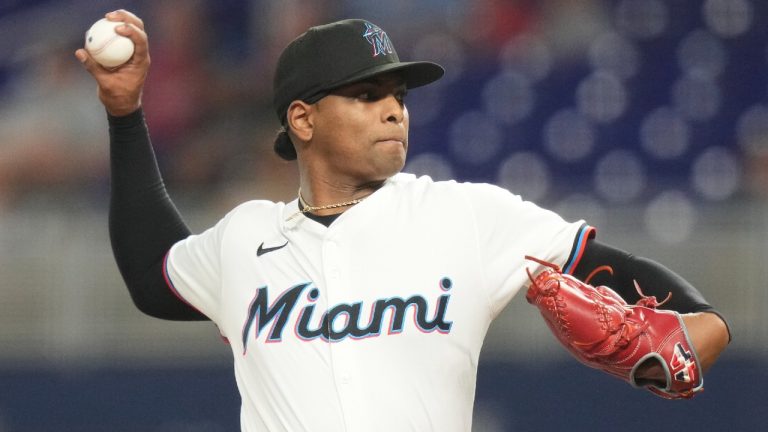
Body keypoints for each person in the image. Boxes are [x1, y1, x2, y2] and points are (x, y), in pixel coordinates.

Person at [76, 10, 730, 432]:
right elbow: (151, 274)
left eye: (398, 95)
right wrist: (124, 112)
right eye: (366, 95)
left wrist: (692, 336)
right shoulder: (245, 237)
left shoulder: (467, 216)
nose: (394, 110)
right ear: (302, 119)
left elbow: (669, 303)